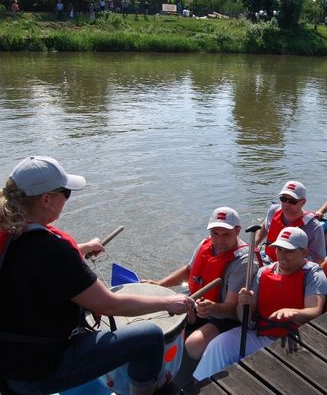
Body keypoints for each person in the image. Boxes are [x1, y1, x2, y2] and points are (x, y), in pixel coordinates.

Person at [0, 156, 194, 395]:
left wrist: (80, 249)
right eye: (66, 193)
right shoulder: (51, 250)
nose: (67, 199)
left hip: (9, 362)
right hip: (39, 371)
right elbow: (109, 304)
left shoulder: (9, 232)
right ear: (46, 200)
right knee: (150, 337)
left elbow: (31, 265)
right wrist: (168, 301)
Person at [192, 227, 327, 380]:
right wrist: (245, 304)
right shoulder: (263, 272)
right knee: (217, 345)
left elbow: (314, 311)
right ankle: (201, 383)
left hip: (294, 337)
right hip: (261, 334)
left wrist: (295, 312)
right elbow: (244, 317)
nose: (282, 256)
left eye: (289, 251)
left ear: (304, 252)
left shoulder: (314, 274)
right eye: (279, 249)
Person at [143, 207, 259, 361]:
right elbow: (188, 270)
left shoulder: (243, 262)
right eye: (215, 234)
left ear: (238, 230)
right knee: (156, 317)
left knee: (194, 346)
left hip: (226, 316)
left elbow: (232, 308)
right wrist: (159, 284)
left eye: (226, 235)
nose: (219, 241)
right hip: (200, 305)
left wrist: (212, 308)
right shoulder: (205, 244)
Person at [255, 180, 325, 264]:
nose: (286, 204)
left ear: (303, 202)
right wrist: (255, 244)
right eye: (283, 199)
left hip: (293, 269)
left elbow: (319, 259)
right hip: (269, 261)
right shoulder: (273, 211)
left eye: (292, 201)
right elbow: (264, 227)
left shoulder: (314, 227)